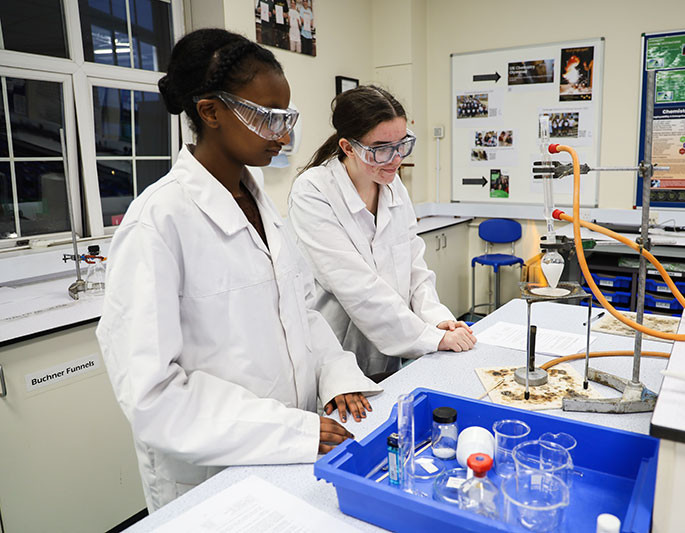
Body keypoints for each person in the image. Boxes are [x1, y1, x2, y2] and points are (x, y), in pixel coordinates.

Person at [96, 29, 381, 512]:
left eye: (286, 117)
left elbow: (301, 311)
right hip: (212, 476)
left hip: (290, 453)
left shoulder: (260, 202)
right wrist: (291, 430)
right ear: (210, 112)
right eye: (267, 117)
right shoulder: (159, 222)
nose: (284, 135)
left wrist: (336, 374)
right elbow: (153, 396)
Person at [288, 86, 477, 380]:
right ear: (348, 147)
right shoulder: (313, 191)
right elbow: (357, 287)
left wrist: (437, 320)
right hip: (335, 356)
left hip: (387, 354)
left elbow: (414, 267)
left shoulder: (391, 184)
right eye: (381, 149)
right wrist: (429, 338)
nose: (395, 159)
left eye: (402, 144)